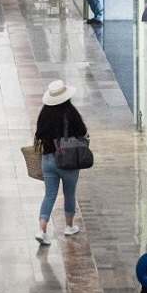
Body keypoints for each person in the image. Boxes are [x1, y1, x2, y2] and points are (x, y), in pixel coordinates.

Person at [33, 80, 87, 245]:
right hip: (68, 160)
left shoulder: (44, 114)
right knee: (69, 193)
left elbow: (39, 134)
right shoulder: (71, 113)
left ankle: (42, 230)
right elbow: (83, 132)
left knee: (49, 194)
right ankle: (69, 226)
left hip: (48, 160)